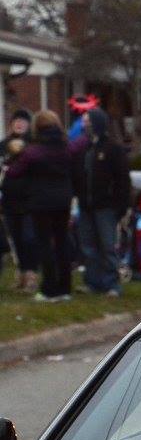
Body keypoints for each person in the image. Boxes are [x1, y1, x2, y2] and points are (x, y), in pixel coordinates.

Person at [4, 110, 75, 301]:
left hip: (40, 202)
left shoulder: (33, 151)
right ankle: (65, 288)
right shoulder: (67, 147)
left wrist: (12, 162)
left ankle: (49, 289)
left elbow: (14, 172)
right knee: (62, 242)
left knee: (45, 244)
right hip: (63, 200)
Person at [72, 107, 131, 296]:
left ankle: (112, 283)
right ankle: (92, 282)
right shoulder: (85, 149)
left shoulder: (113, 149)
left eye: (88, 121)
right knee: (88, 246)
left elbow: (122, 179)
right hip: (86, 206)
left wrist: (121, 206)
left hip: (106, 207)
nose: (85, 125)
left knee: (107, 246)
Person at [1, 109, 39, 292]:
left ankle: (31, 274)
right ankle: (21, 274)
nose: (19, 124)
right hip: (9, 200)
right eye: (16, 121)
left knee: (29, 238)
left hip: (30, 200)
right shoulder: (4, 145)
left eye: (23, 121)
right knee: (16, 239)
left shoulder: (34, 145)